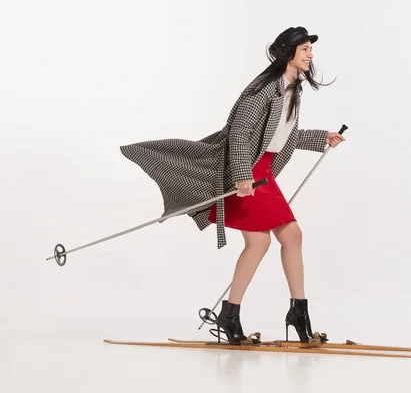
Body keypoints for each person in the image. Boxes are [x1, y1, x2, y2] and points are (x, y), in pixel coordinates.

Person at [120, 26, 345, 344]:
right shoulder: (264, 88)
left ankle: (282, 312)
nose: (311, 54)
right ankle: (243, 314)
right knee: (271, 240)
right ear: (288, 53)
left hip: (263, 171)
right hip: (247, 173)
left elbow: (283, 135)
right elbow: (239, 131)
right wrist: (241, 175)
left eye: (311, 48)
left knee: (280, 239)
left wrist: (320, 137)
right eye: (305, 48)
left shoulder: (294, 89)